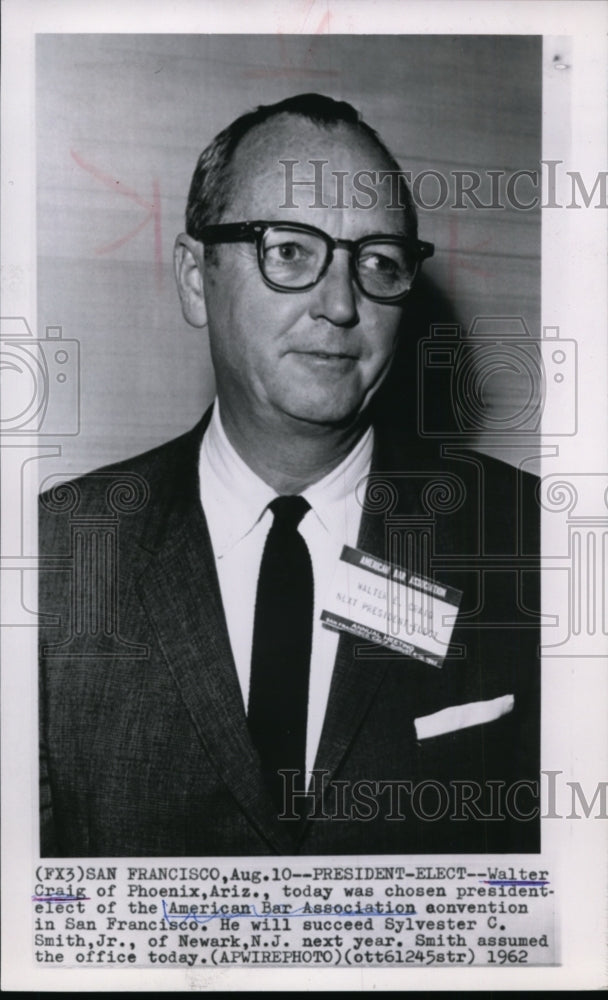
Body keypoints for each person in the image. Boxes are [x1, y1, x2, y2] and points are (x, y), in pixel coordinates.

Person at [39, 93, 540, 857]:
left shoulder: (528, 538)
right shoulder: (56, 556)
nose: (341, 305)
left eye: (378, 262)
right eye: (290, 251)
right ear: (194, 277)